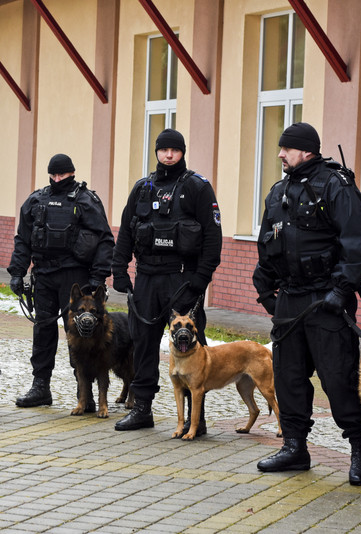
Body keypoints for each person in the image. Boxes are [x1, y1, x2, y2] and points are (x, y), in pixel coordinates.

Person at [253, 122, 361, 486]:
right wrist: (264, 289)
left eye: (285, 149)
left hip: (327, 299)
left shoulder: (336, 186)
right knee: (288, 378)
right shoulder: (278, 191)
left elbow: (357, 241)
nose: (279, 154)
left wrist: (342, 290)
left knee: (338, 379)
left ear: (306, 150)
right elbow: (266, 244)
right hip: (290, 299)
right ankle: (294, 447)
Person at [111, 128, 222, 432]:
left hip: (182, 278)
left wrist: (202, 277)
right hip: (147, 277)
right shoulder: (143, 188)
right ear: (157, 152)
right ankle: (142, 408)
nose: (169, 155)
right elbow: (126, 233)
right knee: (143, 344)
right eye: (164, 150)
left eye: (174, 150)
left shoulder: (197, 187)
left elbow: (213, 237)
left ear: (182, 152)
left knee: (191, 345)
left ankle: (194, 420)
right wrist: (119, 270)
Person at [8, 153, 115, 408]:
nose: (57, 179)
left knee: (80, 332)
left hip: (74, 277)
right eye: (53, 175)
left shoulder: (86, 201)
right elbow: (23, 238)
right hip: (43, 275)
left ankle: (84, 392)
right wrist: (16, 271)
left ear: (72, 173)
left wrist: (97, 278)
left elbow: (105, 240)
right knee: (43, 331)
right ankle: (40, 387)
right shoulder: (36, 200)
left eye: (62, 175)